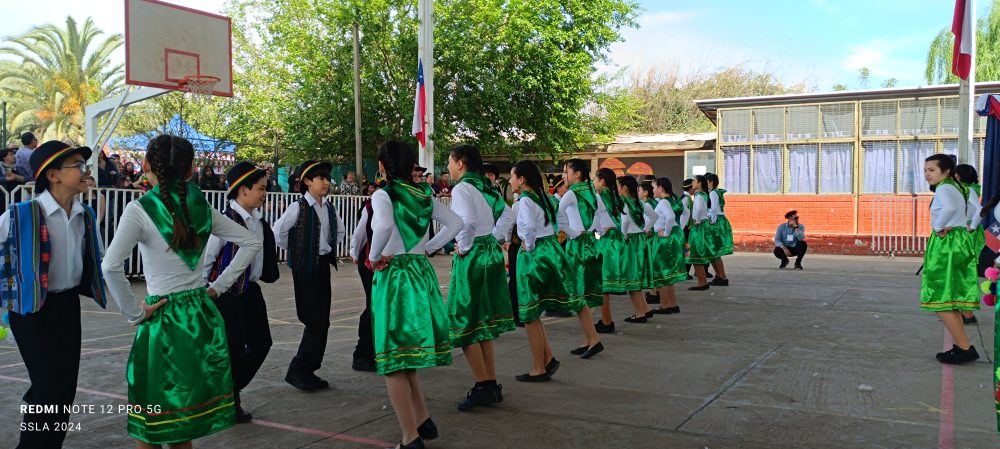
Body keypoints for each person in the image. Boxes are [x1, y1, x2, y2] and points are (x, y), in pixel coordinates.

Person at [102, 135, 262, 448]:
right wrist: (217, 287)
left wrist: (134, 313)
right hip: (199, 315)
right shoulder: (201, 207)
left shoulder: (139, 210)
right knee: (182, 422)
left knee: (150, 421)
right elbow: (251, 242)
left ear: (147, 165)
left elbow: (110, 266)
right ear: (190, 171)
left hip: (162, 319)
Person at [1, 140, 109, 448]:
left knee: (62, 390)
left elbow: (96, 261)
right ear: (53, 175)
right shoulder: (21, 214)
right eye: (78, 165)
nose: (85, 171)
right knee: (49, 389)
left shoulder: (84, 215)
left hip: (66, 306)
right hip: (32, 312)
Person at [367, 141, 461, 449]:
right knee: (407, 358)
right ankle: (422, 419)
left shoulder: (384, 194)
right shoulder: (425, 194)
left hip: (396, 276)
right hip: (421, 273)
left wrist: (373, 256)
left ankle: (410, 437)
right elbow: (456, 224)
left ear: (383, 166)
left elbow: (382, 226)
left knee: (393, 360)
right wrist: (431, 247)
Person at [202, 162, 280, 424]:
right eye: (260, 189)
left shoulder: (259, 221)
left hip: (251, 290)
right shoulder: (223, 223)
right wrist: (206, 294)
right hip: (225, 295)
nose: (264, 193)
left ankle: (223, 392)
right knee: (233, 350)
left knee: (262, 344)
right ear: (242, 190)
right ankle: (230, 400)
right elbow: (206, 261)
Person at [445, 144, 516, 410]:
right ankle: (490, 382)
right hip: (490, 252)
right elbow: (507, 215)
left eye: (450, 162)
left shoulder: (463, 187)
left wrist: (463, 247)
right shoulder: (487, 187)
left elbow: (467, 222)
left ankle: (483, 384)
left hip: (473, 255)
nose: (449, 167)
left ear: (460, 163)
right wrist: (495, 238)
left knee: (464, 323)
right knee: (483, 322)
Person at [272, 160, 346, 391]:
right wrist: (297, 250)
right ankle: (299, 369)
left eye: (327, 178)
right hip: (305, 268)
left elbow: (340, 231)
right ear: (306, 181)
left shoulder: (329, 208)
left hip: (322, 265)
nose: (326, 183)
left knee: (322, 319)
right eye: (321, 178)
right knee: (314, 319)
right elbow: (278, 232)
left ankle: (307, 369)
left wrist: (328, 247)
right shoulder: (298, 207)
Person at [508, 160, 584, 382]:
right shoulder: (547, 198)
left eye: (513, 177)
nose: (511, 181)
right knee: (535, 313)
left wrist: (528, 246)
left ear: (522, 180)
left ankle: (538, 367)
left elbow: (527, 228)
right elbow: (560, 222)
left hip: (536, 253)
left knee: (530, 313)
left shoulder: (524, 201)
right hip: (551, 249)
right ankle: (547, 358)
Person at [920, 154, 980, 364]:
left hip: (947, 244)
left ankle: (965, 348)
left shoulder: (944, 188)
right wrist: (967, 226)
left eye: (932, 170)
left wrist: (938, 227)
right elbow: (975, 210)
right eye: (926, 170)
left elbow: (950, 209)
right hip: (961, 239)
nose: (927, 174)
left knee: (940, 298)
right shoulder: (962, 188)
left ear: (946, 171)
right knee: (951, 297)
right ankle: (961, 345)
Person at [556, 159, 605, 358]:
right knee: (586, 293)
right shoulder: (594, 194)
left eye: (566, 171)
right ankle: (587, 339)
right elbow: (600, 220)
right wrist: (589, 231)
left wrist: (571, 232)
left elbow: (556, 216)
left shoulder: (571, 193)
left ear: (577, 174)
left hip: (577, 246)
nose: (563, 175)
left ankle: (594, 340)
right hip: (592, 244)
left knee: (578, 295)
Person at [616, 176, 657, 323]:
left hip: (631, 240)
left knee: (631, 279)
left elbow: (625, 221)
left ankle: (640, 314)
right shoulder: (640, 203)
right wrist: (645, 229)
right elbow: (654, 216)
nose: (617, 189)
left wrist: (624, 235)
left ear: (625, 188)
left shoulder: (623, 202)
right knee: (636, 277)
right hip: (641, 239)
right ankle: (645, 309)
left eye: (618, 186)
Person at [649, 177, 687, 314]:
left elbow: (670, 216)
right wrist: (678, 229)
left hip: (666, 239)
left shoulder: (664, 202)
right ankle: (673, 304)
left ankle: (665, 306)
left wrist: (666, 232)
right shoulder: (674, 199)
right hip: (674, 235)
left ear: (661, 188)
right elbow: (685, 213)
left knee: (662, 272)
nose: (652, 190)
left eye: (654, 187)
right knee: (669, 274)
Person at [593, 168, 624, 333]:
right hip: (615, 240)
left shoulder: (599, 197)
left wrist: (596, 234)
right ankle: (606, 319)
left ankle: (607, 321)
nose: (593, 182)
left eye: (595, 179)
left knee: (603, 284)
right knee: (605, 283)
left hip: (606, 240)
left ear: (602, 181)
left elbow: (597, 222)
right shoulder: (614, 196)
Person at [954, 164, 983, 325]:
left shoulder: (967, 189)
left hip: (965, 235)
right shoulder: (968, 189)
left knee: (965, 272)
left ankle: (968, 314)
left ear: (958, 176)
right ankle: (963, 310)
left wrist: (971, 227)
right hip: (964, 234)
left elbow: (979, 209)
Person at [687, 175, 714, 291]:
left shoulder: (698, 195)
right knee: (698, 255)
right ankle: (702, 281)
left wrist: (696, 221)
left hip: (699, 226)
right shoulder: (703, 195)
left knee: (695, 255)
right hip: (704, 225)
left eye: (694, 181)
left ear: (699, 184)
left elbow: (697, 210)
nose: (692, 182)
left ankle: (701, 283)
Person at [705, 173, 731, 286]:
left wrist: (713, 221)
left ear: (710, 182)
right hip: (716, 220)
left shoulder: (713, 193)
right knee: (712, 253)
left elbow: (714, 208)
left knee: (715, 252)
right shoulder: (714, 192)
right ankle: (719, 276)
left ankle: (723, 277)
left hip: (715, 222)